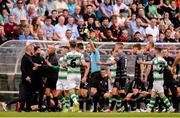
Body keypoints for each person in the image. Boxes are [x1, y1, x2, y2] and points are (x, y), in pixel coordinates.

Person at [139, 47, 174, 112]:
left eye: (154, 51)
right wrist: (172, 69)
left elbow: (150, 63)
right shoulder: (163, 60)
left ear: (156, 51)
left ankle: (170, 108)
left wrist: (142, 62)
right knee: (153, 95)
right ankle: (148, 109)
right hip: (159, 80)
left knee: (162, 96)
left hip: (157, 80)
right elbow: (168, 67)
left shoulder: (157, 59)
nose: (153, 52)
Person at [97, 42, 128, 112]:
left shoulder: (120, 54)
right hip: (122, 76)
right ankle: (113, 109)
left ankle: (124, 108)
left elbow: (112, 63)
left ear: (119, 47)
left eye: (116, 46)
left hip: (120, 76)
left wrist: (101, 63)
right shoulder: (124, 55)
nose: (115, 47)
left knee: (120, 92)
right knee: (116, 92)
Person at [62, 40, 88, 112]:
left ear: (70, 46)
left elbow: (63, 65)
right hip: (78, 74)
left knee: (71, 90)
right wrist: (86, 65)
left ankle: (76, 103)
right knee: (76, 90)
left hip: (71, 74)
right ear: (76, 46)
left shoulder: (67, 55)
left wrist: (67, 66)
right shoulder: (80, 55)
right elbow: (84, 64)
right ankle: (75, 107)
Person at [19, 44, 39, 112]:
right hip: (26, 78)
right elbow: (22, 68)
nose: (33, 50)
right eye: (33, 49)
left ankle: (28, 108)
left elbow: (29, 68)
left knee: (29, 94)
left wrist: (34, 68)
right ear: (30, 49)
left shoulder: (29, 57)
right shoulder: (25, 57)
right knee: (24, 94)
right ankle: (21, 108)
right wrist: (26, 76)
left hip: (30, 78)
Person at [86, 42, 101, 112]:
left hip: (96, 73)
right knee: (92, 91)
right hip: (92, 74)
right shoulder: (91, 55)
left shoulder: (96, 52)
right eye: (87, 47)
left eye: (89, 47)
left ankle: (97, 106)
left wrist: (90, 39)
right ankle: (97, 106)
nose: (88, 48)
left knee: (92, 91)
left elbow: (94, 48)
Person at [44, 45, 59, 112]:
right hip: (49, 77)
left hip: (54, 77)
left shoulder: (55, 58)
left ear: (53, 50)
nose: (48, 50)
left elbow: (51, 66)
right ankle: (49, 107)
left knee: (54, 93)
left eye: (49, 48)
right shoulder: (48, 56)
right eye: (48, 48)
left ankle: (56, 107)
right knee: (47, 92)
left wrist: (47, 63)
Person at [31, 46, 46, 111]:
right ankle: (32, 106)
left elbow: (45, 66)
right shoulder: (31, 58)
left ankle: (39, 107)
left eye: (40, 50)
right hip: (33, 79)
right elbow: (29, 68)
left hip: (40, 79)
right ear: (35, 51)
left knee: (41, 93)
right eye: (38, 50)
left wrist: (40, 66)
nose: (39, 52)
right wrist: (34, 67)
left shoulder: (42, 58)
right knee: (33, 94)